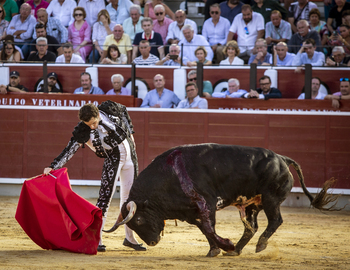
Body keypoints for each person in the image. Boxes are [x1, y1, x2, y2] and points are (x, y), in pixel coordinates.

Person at [42, 100, 145, 252]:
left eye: (94, 123)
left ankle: (129, 238)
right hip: (113, 159)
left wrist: (130, 132)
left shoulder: (109, 109)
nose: (92, 127)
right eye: (88, 124)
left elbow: (123, 110)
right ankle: (98, 238)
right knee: (105, 198)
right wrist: (54, 166)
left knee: (130, 199)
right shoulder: (83, 129)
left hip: (131, 156)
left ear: (98, 114)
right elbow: (70, 148)